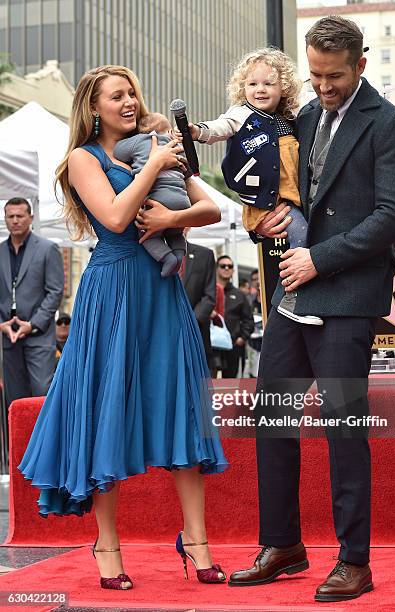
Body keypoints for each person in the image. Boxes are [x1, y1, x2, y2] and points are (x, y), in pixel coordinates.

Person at [228, 17, 395, 602]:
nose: (321, 86)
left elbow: (393, 215)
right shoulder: (303, 116)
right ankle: (282, 544)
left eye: (333, 76)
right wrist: (268, 218)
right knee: (275, 420)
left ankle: (355, 561)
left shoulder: (388, 126)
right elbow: (282, 188)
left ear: (360, 65)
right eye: (313, 74)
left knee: (342, 429)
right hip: (293, 298)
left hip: (346, 299)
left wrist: (320, 257)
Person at [18, 65, 228, 591]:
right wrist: (154, 162)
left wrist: (168, 220)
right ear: (94, 107)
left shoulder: (153, 141)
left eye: (133, 92)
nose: (130, 101)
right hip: (111, 295)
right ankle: (106, 545)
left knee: (179, 408)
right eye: (118, 96)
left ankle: (197, 542)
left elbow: (210, 208)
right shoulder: (82, 159)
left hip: (161, 293)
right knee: (103, 413)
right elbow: (113, 219)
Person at [177, 48, 322, 326]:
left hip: (292, 199)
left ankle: (301, 294)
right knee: (303, 237)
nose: (261, 89)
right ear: (242, 87)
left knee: (308, 237)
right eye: (253, 83)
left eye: (269, 83)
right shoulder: (242, 114)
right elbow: (221, 127)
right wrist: (196, 131)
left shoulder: (290, 117)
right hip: (270, 203)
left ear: (284, 88)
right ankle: (294, 296)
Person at [0, 198, 64, 408]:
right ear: (5, 219)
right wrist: (2, 324)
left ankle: (44, 442)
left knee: (41, 398)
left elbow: (55, 292)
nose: (15, 221)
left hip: (39, 336)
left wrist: (33, 324)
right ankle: (17, 443)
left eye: (20, 216)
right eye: (11, 216)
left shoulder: (48, 249)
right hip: (8, 337)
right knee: (14, 401)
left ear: (31, 218)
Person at [113, 112, 190, 277]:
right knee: (175, 232)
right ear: (169, 131)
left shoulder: (141, 140)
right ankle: (178, 255)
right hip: (182, 199)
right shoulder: (175, 145)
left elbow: (118, 151)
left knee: (148, 236)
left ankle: (167, 258)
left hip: (157, 198)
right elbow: (186, 169)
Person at [180, 232, 217, 371]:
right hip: (163, 330)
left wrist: (190, 321)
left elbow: (209, 295)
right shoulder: (155, 253)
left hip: (196, 329)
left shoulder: (204, 255)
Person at [216, 255, 254, 378]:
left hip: (233, 346)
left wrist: (242, 338)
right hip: (210, 347)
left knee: (231, 385)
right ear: (216, 269)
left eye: (230, 266)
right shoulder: (208, 291)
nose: (226, 268)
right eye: (223, 266)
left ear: (233, 271)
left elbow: (248, 320)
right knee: (208, 383)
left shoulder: (239, 295)